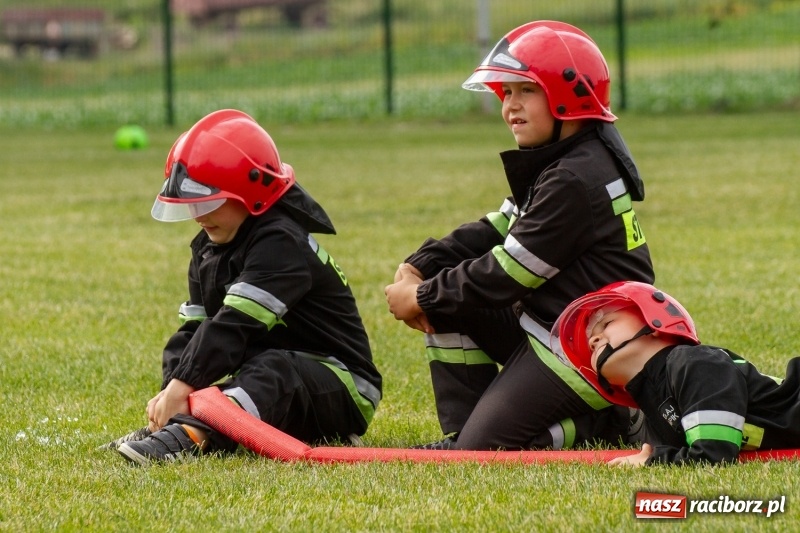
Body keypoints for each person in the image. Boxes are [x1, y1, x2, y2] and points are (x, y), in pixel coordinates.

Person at [384, 21, 654, 451]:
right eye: (506, 93)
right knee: (451, 310)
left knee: (484, 453)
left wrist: (423, 296)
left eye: (526, 91)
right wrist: (421, 264)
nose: (510, 107)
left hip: (582, 348)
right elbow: (496, 226)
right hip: (554, 325)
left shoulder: (574, 178)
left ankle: (600, 424)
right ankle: (462, 434)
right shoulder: (566, 160)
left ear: (568, 96)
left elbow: (508, 273)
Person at [103, 109, 382, 465]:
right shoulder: (206, 249)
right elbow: (195, 332)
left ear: (251, 192)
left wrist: (184, 387)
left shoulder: (280, 244)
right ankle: (179, 425)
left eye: (208, 201)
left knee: (274, 370)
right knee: (260, 369)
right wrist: (171, 389)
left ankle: (195, 434)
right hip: (274, 372)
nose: (198, 215)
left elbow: (234, 326)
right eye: (192, 204)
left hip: (343, 388)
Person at [551, 280, 800, 466]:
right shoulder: (654, 408)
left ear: (655, 323)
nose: (594, 340)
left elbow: (712, 455)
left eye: (606, 324)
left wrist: (651, 462)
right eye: (590, 342)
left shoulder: (694, 363)